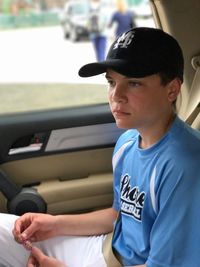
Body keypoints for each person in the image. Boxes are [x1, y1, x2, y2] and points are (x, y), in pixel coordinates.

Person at [0, 27, 200, 267]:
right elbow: (119, 215)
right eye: (111, 81)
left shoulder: (185, 166)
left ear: (172, 90)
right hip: (107, 248)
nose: (116, 95)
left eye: (134, 83)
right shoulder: (127, 142)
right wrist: (53, 224)